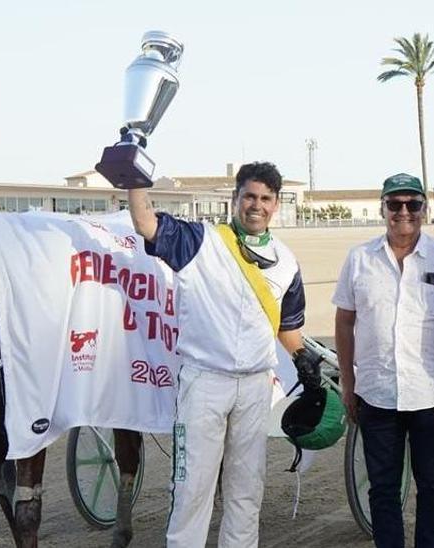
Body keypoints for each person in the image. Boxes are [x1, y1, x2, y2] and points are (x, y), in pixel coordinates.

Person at [124, 161, 317, 548]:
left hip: (255, 387)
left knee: (247, 491)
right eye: (249, 196)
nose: (256, 205)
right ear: (235, 199)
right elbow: (145, 222)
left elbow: (288, 329)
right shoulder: (199, 240)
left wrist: (305, 363)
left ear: (276, 205)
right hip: (204, 383)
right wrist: (135, 175)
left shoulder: (287, 262)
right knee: (192, 488)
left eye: (265, 198)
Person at [331, 173, 434, 548]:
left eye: (413, 204)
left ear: (425, 209)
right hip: (376, 395)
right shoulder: (359, 259)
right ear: (383, 208)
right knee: (382, 489)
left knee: (433, 486)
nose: (404, 212)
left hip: (431, 395)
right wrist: (349, 383)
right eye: (395, 204)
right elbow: (345, 322)